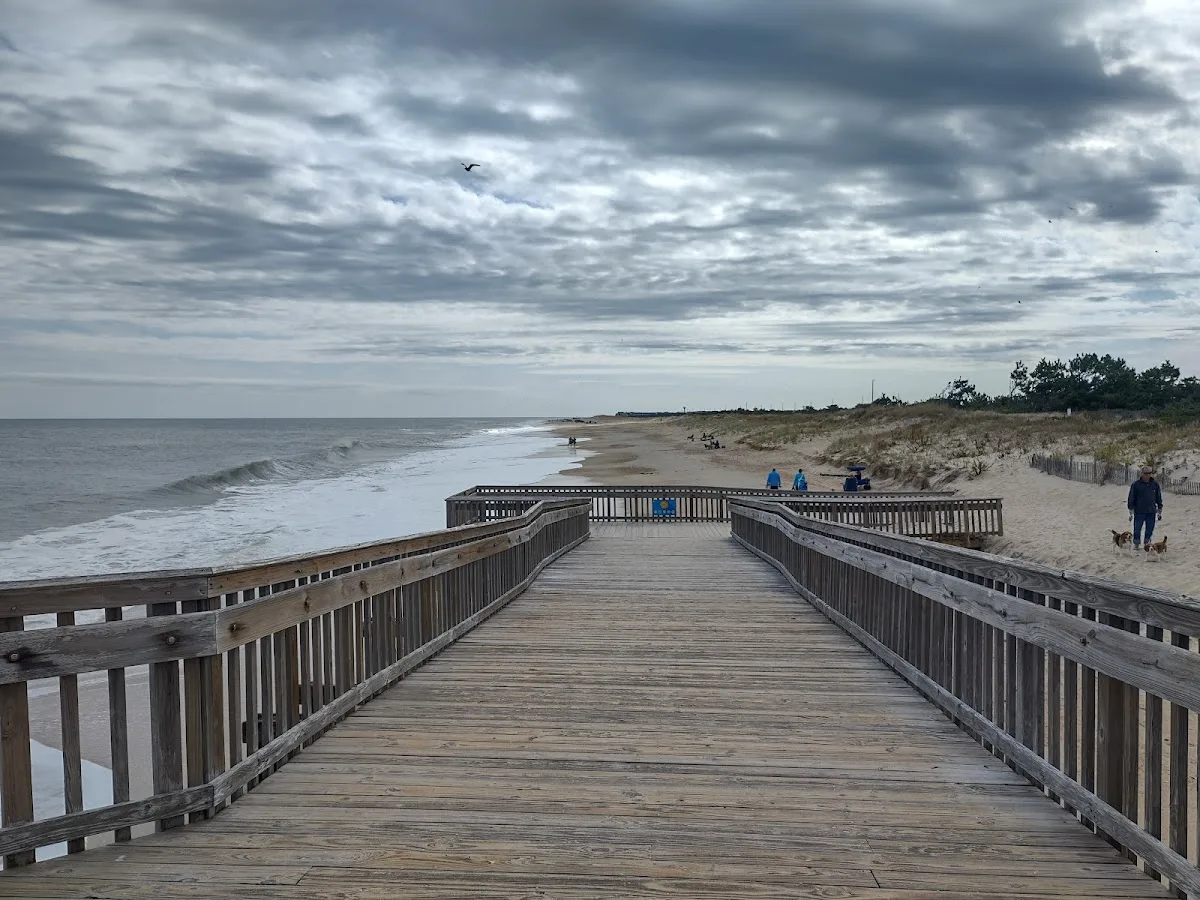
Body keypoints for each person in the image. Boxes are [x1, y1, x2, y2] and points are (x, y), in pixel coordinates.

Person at [1127, 465, 1164, 549]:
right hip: (1139, 510)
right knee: (1137, 528)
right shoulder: (1136, 485)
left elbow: (1158, 497)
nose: (1147, 475)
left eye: (1149, 473)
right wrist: (1131, 509)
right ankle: (1136, 543)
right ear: (1142, 473)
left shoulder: (1155, 484)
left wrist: (1160, 508)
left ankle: (1146, 542)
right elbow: (1131, 497)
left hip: (1151, 510)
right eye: (1145, 473)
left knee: (1149, 529)